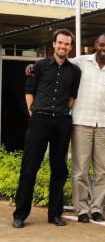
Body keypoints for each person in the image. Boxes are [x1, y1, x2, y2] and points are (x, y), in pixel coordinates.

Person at [12, 29, 81, 228]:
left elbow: (72, 98)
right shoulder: (39, 66)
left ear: (70, 47)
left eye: (67, 44)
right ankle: (20, 214)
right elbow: (29, 91)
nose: (63, 47)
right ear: (53, 44)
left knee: (59, 169)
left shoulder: (75, 71)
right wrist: (34, 115)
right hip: (39, 121)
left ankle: (55, 214)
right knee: (29, 168)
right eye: (60, 43)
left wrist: (59, 115)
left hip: (61, 122)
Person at [70, 33, 105, 223]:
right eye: (101, 45)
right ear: (95, 45)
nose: (104, 49)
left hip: (104, 125)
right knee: (80, 170)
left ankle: (97, 208)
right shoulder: (81, 62)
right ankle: (82, 210)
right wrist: (34, 66)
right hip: (81, 122)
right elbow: (60, 63)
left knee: (103, 170)